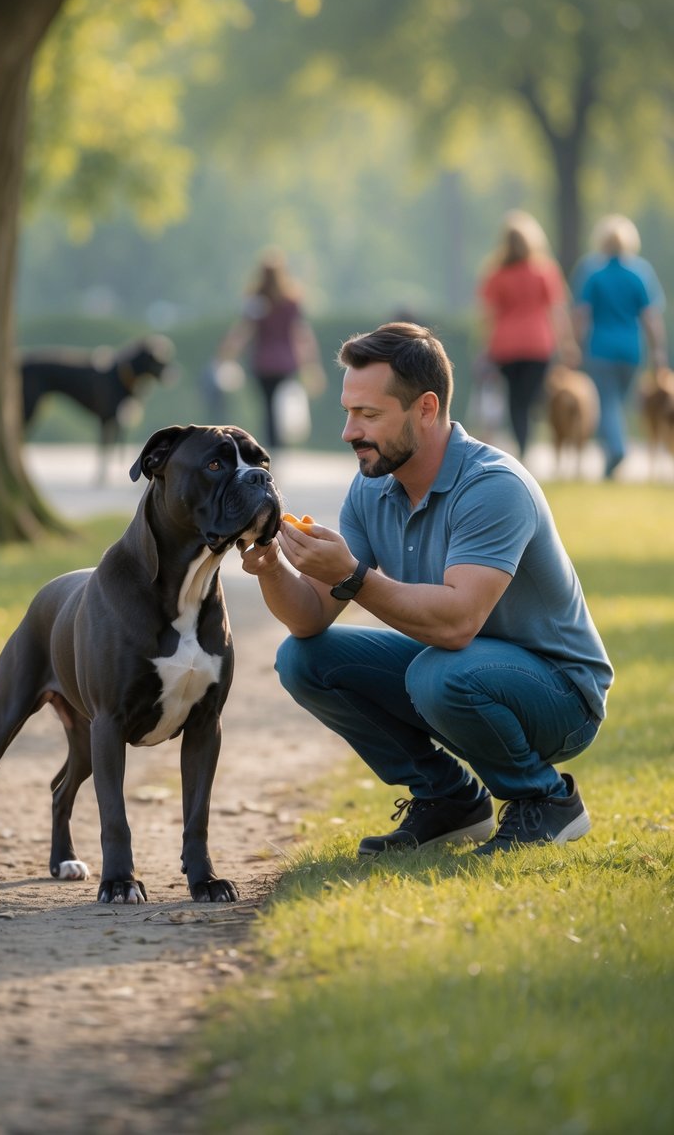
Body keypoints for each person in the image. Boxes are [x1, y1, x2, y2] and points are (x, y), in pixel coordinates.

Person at [239, 322, 612, 857]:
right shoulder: (372, 487)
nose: (349, 431)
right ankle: (448, 800)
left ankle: (546, 801)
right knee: (304, 659)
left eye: (368, 415)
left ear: (427, 409)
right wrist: (274, 564)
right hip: (462, 670)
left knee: (438, 672)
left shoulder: (492, 486)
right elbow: (309, 619)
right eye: (348, 412)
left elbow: (458, 623)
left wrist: (352, 576)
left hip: (560, 695)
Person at [571, 215, 668, 479]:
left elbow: (582, 313)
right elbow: (650, 316)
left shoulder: (592, 271)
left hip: (600, 348)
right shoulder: (640, 272)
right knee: (615, 402)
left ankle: (616, 448)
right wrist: (658, 350)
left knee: (606, 402)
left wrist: (574, 345)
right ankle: (613, 451)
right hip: (630, 350)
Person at [477, 211, 579, 459]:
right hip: (538, 345)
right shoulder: (544, 270)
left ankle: (522, 446)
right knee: (532, 397)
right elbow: (557, 310)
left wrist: (485, 347)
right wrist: (567, 343)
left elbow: (487, 315)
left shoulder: (495, 273)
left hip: (506, 346)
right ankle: (527, 442)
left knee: (516, 400)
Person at [218, 252, 325, 448]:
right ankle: (279, 446)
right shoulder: (291, 302)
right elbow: (301, 335)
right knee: (281, 407)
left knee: (268, 408)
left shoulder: (256, 301)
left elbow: (243, 331)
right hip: (286, 363)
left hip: (263, 364)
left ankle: (271, 447)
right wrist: (312, 366)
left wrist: (226, 355)